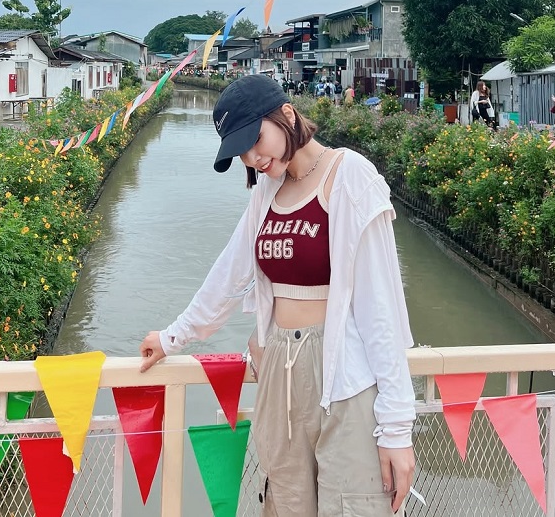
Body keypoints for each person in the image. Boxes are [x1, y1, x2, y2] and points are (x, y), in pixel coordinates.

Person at [139, 74, 415, 516]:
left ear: (287, 114)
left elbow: (380, 308)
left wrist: (397, 430)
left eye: (255, 140)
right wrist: (172, 337)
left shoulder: (349, 176)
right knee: (286, 503)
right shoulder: (267, 191)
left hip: (343, 374)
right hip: (278, 370)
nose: (252, 157)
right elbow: (229, 274)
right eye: (241, 151)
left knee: (353, 505)